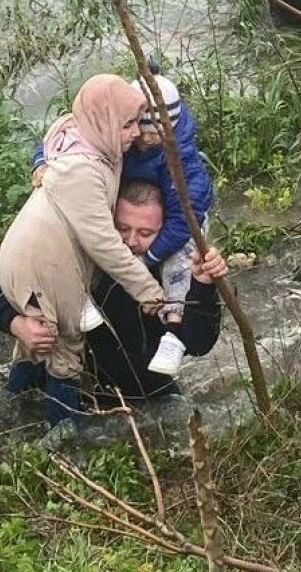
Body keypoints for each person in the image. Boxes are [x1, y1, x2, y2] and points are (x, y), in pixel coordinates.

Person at [0, 74, 165, 425]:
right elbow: (103, 243)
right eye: (127, 124)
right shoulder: (81, 171)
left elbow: (52, 132)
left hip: (31, 255)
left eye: (137, 122)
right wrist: (149, 290)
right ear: (103, 121)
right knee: (66, 351)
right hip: (44, 264)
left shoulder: (77, 136)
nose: (135, 132)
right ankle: (64, 437)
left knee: (38, 343)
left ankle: (9, 412)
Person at [30, 65, 215, 377]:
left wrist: (150, 259)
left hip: (146, 385)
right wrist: (19, 324)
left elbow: (200, 340)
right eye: (136, 131)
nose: (142, 141)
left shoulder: (181, 167)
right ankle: (76, 298)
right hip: (79, 375)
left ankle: (172, 335)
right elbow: (65, 140)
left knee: (179, 268)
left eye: (144, 232)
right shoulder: (111, 140)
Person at [0, 181, 228, 411]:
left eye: (145, 233)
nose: (131, 241)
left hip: (143, 393)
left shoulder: (174, 270)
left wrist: (203, 285)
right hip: (69, 380)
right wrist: (16, 324)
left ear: (165, 231)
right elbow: (1, 282)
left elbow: (197, 345)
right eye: (122, 228)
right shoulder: (85, 248)